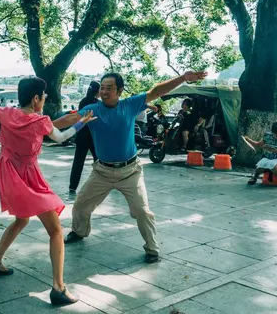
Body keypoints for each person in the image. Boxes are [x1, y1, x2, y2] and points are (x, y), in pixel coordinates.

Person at [0, 71, 96, 306]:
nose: (44, 99)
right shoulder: (41, 121)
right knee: (55, 230)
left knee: (21, 219)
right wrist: (82, 123)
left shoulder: (6, 114)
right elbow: (62, 137)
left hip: (8, 174)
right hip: (28, 176)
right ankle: (59, 288)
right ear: (35, 98)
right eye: (43, 96)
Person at [56, 70, 207, 264]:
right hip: (101, 171)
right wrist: (46, 125)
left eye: (109, 88)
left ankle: (152, 249)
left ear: (119, 91)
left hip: (130, 172)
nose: (104, 92)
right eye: (102, 88)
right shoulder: (93, 110)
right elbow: (71, 119)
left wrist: (183, 78)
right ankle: (79, 231)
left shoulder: (130, 105)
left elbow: (157, 91)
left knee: (142, 211)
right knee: (80, 205)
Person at [69, 81, 100, 193]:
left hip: (82, 135)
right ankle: (102, 183)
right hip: (93, 136)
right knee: (99, 161)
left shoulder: (83, 101)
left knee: (78, 161)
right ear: (97, 91)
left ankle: (72, 186)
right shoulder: (97, 104)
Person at [243, 121, 277, 190]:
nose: (275, 135)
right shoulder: (268, 135)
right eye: (274, 133)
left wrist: (275, 150)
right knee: (261, 164)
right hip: (267, 156)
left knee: (272, 164)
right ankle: (255, 177)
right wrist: (248, 140)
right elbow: (258, 144)